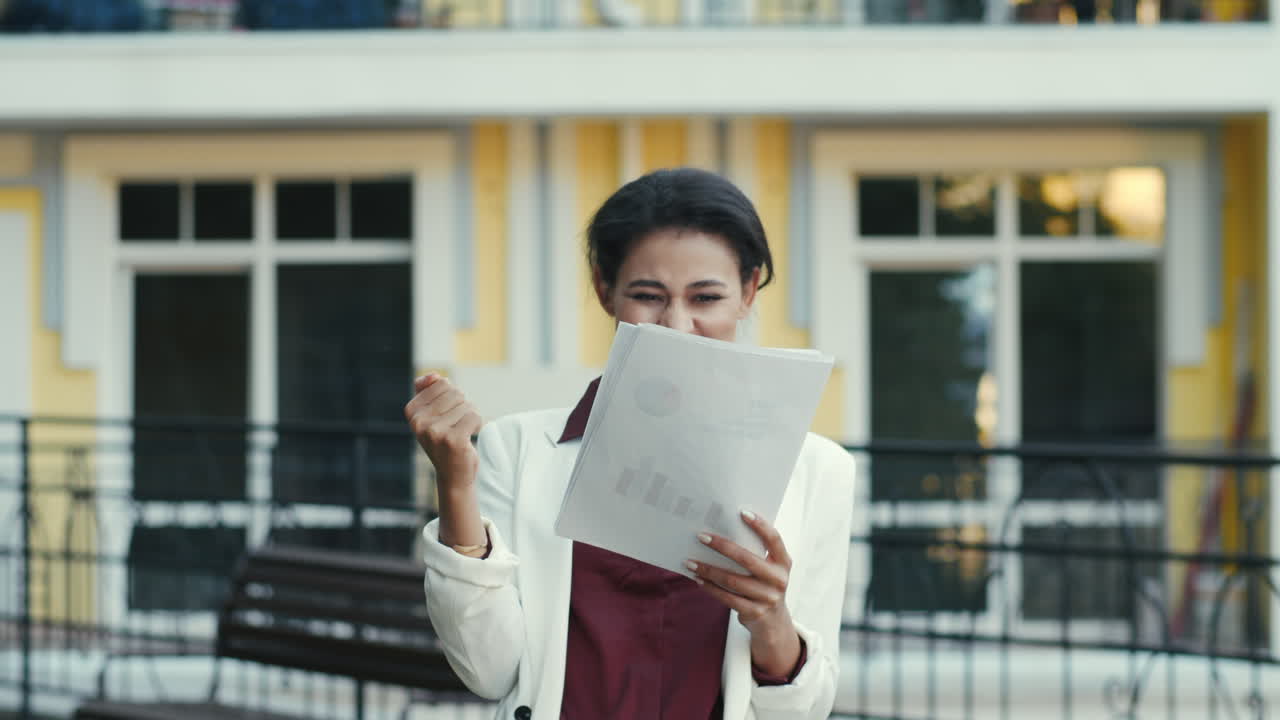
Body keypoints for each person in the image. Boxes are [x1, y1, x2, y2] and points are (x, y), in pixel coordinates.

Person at [406, 167, 857, 720]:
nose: (677, 325)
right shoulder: (516, 447)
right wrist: (455, 487)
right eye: (648, 296)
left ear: (748, 290)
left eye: (706, 297)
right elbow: (488, 670)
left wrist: (771, 621)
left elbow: (802, 711)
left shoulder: (818, 471)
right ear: (605, 290)